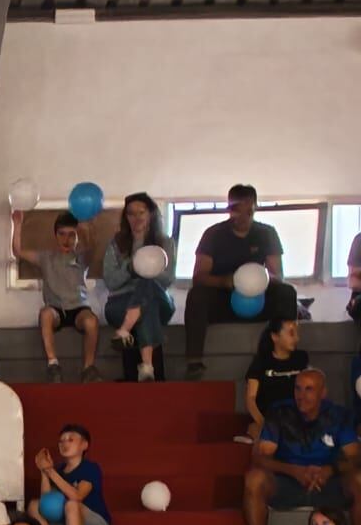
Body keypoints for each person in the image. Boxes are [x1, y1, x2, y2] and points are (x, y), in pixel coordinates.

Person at [245, 368, 359, 525]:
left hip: (329, 481)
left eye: (309, 389)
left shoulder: (338, 416)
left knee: (359, 479)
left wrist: (329, 470)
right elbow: (260, 457)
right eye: (298, 388)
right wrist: (294, 470)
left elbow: (355, 457)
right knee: (255, 479)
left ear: (322, 393)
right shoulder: (280, 412)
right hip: (288, 480)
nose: (301, 395)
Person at [185, 184, 294, 379]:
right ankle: (194, 362)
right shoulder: (213, 234)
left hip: (259, 298)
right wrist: (225, 282)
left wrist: (259, 279)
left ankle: (285, 359)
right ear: (229, 209)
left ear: (255, 208)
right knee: (197, 296)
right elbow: (199, 277)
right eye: (237, 210)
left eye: (249, 211)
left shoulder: (267, 233)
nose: (243, 217)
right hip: (224, 298)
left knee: (287, 293)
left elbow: (278, 276)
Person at [101, 192, 175, 382]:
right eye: (131, 213)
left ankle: (125, 329)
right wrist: (131, 268)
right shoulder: (116, 244)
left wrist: (147, 270)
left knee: (147, 282)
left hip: (160, 300)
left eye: (141, 212)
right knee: (146, 310)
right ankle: (147, 367)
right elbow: (111, 281)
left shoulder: (164, 242)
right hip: (120, 303)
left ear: (150, 214)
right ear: (126, 217)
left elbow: (167, 279)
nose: (136, 218)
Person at [33, 210, 101, 383]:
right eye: (62, 234)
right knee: (45, 314)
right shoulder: (46, 257)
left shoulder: (81, 257)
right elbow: (17, 250)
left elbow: (92, 245)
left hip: (79, 308)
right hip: (56, 309)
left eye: (72, 235)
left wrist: (88, 227)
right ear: (55, 235)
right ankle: (53, 364)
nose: (66, 239)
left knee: (91, 321)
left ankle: (89, 368)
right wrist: (17, 224)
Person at [35, 424, 111, 525]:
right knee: (34, 506)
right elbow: (46, 503)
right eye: (61, 441)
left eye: (70, 440)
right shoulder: (57, 471)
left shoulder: (90, 468)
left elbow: (77, 496)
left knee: (71, 504)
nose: (64, 443)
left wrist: (50, 472)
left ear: (84, 445)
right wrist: (44, 472)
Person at [242, 318, 309, 438]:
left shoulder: (301, 358)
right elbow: (250, 400)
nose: (296, 338)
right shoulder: (261, 362)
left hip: (295, 419)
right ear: (274, 336)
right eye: (291, 333)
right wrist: (264, 425)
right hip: (269, 418)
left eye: (297, 333)